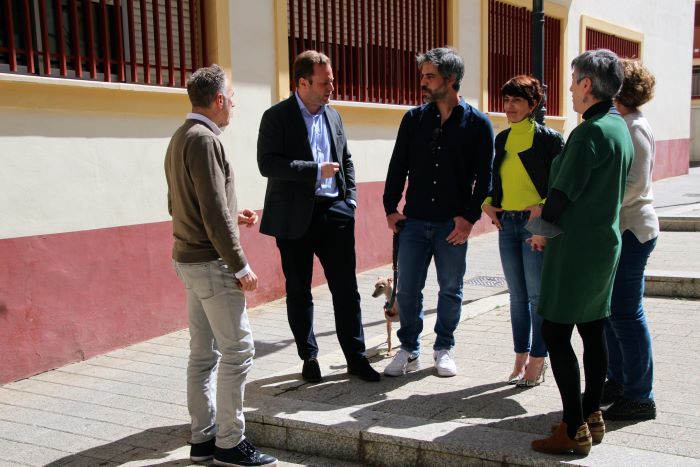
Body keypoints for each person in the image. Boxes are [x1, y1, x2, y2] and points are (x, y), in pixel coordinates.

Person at [165, 65, 277, 466]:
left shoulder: (180, 137)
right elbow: (210, 211)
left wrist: (234, 216)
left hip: (189, 260)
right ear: (218, 100)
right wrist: (241, 265)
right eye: (232, 96)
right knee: (238, 351)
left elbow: (182, 205)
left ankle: (203, 440)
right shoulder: (204, 140)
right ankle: (230, 443)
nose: (234, 103)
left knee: (202, 354)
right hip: (211, 264)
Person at [529, 49, 633, 456]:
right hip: (603, 244)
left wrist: (538, 231)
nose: (570, 89)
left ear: (587, 85)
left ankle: (572, 427)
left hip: (575, 247)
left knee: (556, 332)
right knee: (593, 330)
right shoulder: (617, 125)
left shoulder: (589, 132)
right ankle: (592, 416)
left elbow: (560, 197)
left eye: (573, 81)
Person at [257, 50, 380, 383]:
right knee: (299, 290)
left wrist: (350, 200)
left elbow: (347, 159)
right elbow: (267, 164)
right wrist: (315, 170)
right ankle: (309, 357)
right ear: (302, 82)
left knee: (346, 290)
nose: (331, 88)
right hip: (294, 217)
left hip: (334, 213)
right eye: (325, 82)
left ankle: (356, 358)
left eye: (332, 81)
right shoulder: (276, 117)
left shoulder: (334, 116)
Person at [382, 47, 494, 378]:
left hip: (452, 225)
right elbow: (397, 165)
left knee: (450, 288)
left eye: (430, 76)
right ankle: (409, 349)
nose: (423, 82)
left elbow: (485, 178)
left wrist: (469, 218)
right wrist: (390, 208)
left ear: (451, 79)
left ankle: (443, 347)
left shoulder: (478, 124)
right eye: (423, 76)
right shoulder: (414, 119)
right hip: (413, 221)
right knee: (408, 289)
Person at [481, 76, 564, 387]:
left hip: (535, 225)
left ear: (533, 104)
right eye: (506, 100)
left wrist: (542, 205)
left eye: (517, 100)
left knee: (535, 296)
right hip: (507, 224)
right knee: (516, 297)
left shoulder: (549, 139)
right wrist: (487, 202)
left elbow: (560, 184)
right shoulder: (501, 139)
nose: (510, 106)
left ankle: (538, 361)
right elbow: (495, 181)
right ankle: (520, 356)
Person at [602, 59, 659, 420]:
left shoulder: (633, 126)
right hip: (620, 230)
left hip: (632, 231)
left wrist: (594, 202)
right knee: (612, 313)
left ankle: (640, 396)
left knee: (626, 313)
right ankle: (619, 380)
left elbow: (634, 183)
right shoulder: (624, 122)